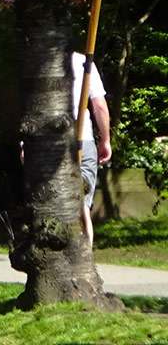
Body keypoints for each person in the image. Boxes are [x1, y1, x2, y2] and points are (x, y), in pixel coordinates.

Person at [72, 50, 113, 249]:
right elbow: (100, 106)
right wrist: (105, 140)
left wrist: (25, 144)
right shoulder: (83, 62)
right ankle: (85, 258)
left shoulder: (40, 62)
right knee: (83, 206)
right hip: (84, 139)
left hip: (48, 145)